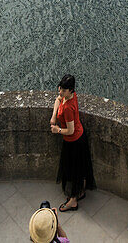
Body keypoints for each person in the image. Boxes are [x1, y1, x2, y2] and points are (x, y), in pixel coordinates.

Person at [50, 74, 95, 211]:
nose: (60, 92)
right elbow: (58, 100)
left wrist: (57, 130)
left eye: (63, 90)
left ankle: (73, 201)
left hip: (74, 142)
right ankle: (81, 192)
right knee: (79, 169)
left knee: (73, 172)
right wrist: (54, 116)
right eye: (60, 88)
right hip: (78, 138)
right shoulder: (70, 96)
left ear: (71, 90)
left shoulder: (69, 108)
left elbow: (70, 130)